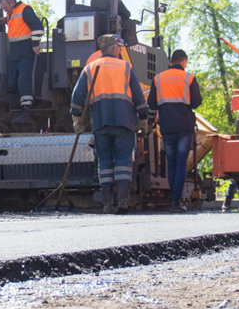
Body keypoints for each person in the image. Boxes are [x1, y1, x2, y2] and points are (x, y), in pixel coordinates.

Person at [71, 34, 148, 214]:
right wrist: (143, 117)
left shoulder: (90, 68)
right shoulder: (125, 67)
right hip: (123, 121)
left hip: (100, 122)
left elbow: (77, 96)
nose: (120, 50)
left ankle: (107, 203)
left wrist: (76, 118)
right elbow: (138, 96)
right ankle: (122, 201)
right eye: (119, 48)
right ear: (113, 48)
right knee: (123, 161)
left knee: (104, 162)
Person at [147, 49, 202, 213]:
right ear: (184, 61)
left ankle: (173, 199)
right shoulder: (189, 78)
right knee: (181, 163)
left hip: (167, 127)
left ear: (172, 61)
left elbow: (152, 104)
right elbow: (197, 101)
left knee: (171, 163)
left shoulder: (158, 78)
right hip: (184, 126)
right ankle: (176, 201)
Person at [0, 0, 44, 125]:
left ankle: (26, 110)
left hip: (25, 54)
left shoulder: (25, 9)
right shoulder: (11, 14)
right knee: (12, 82)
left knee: (24, 81)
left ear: (12, 2)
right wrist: (5, 20)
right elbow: (17, 26)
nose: (5, 10)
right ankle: (18, 109)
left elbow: (38, 28)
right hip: (15, 55)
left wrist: (35, 44)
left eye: (5, 7)